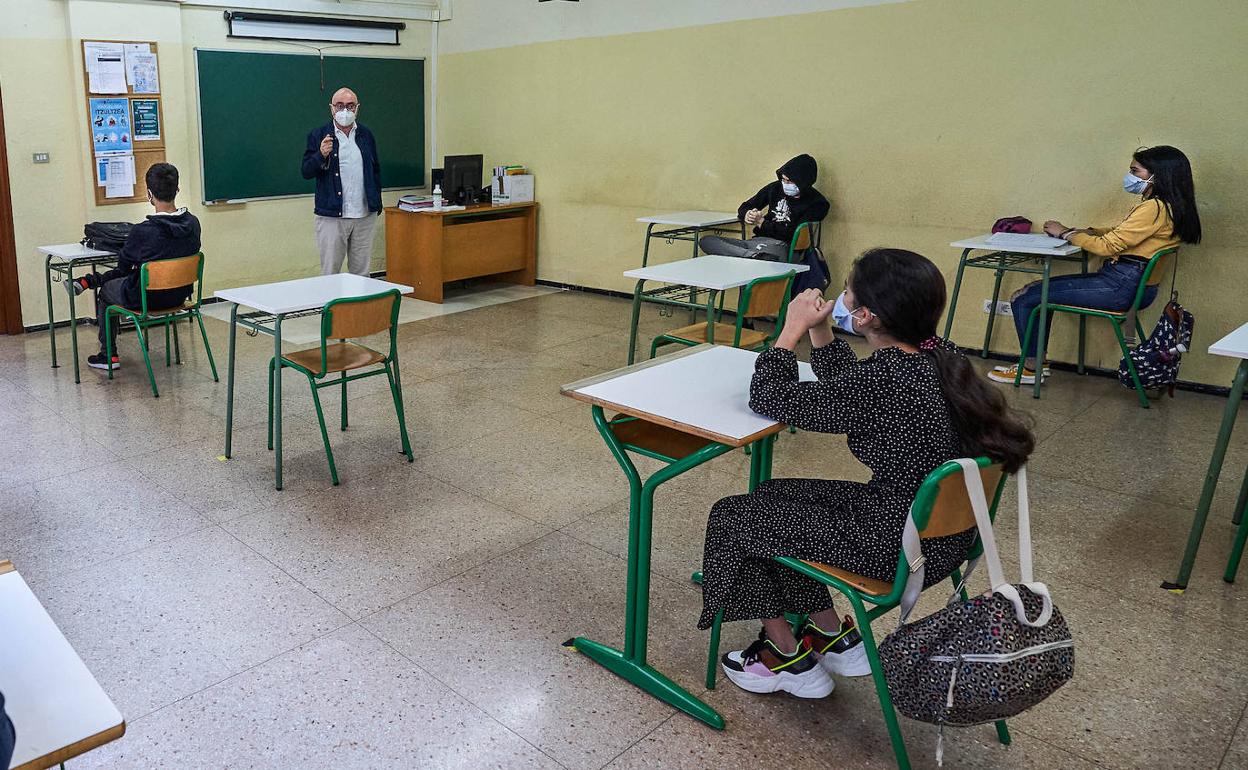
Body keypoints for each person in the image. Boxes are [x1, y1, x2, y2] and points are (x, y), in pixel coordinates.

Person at [699, 248, 1035, 698]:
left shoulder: (885, 382)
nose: (841, 297)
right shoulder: (940, 356)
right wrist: (821, 332)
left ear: (865, 315)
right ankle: (831, 633)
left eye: (847, 294)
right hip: (941, 536)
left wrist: (790, 331)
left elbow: (770, 396)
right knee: (771, 496)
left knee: (733, 518)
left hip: (894, 546)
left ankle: (784, 658)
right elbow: (851, 390)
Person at [988, 145, 1202, 385]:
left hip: (1120, 288)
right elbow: (1123, 234)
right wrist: (1088, 232)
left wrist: (1066, 233)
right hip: (1133, 285)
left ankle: (1030, 368)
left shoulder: (1154, 208)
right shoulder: (1169, 207)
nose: (1130, 177)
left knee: (1024, 297)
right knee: (1037, 292)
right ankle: (1035, 364)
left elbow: (1107, 247)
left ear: (1158, 175)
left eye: (1135, 171)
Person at [64, 163, 201, 371]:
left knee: (107, 292)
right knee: (132, 276)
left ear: (149, 194)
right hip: (180, 296)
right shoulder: (193, 224)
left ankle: (107, 355)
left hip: (147, 299)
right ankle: (86, 282)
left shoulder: (143, 232)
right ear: (177, 189)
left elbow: (123, 269)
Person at [301, 86, 382, 276]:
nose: (345, 110)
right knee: (331, 272)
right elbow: (306, 171)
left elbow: (375, 170)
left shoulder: (366, 135)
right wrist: (320, 154)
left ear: (357, 108)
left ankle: (359, 306)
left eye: (350, 105)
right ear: (331, 108)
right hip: (332, 216)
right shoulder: (319, 135)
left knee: (361, 273)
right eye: (340, 105)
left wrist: (376, 203)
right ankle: (332, 306)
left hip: (364, 215)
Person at [699, 154, 830, 261]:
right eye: (783, 180)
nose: (785, 184)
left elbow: (793, 234)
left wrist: (762, 223)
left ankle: (750, 257)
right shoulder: (775, 188)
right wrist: (748, 214)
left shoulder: (817, 203)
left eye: (789, 181)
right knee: (707, 241)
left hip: (782, 246)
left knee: (765, 259)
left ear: (803, 181)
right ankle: (751, 256)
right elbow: (746, 206)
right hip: (755, 243)